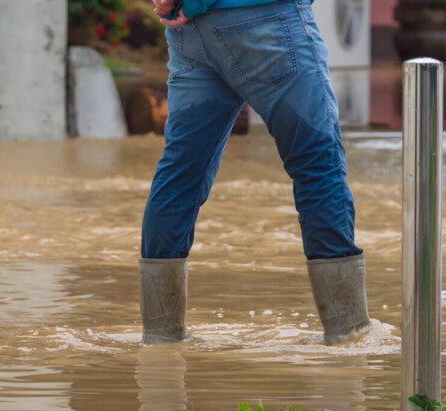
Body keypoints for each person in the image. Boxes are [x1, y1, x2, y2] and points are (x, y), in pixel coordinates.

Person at [138, 0, 371, 345]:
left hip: (191, 32)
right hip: (266, 20)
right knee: (317, 165)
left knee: (181, 174)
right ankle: (349, 334)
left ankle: (160, 339)